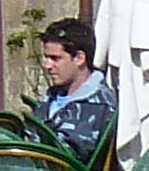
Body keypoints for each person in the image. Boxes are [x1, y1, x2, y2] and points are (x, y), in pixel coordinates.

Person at [30, 20, 118, 163]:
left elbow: (68, 156)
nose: (47, 66)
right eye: (46, 57)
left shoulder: (97, 105)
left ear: (79, 58)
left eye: (55, 58)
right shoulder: (53, 95)